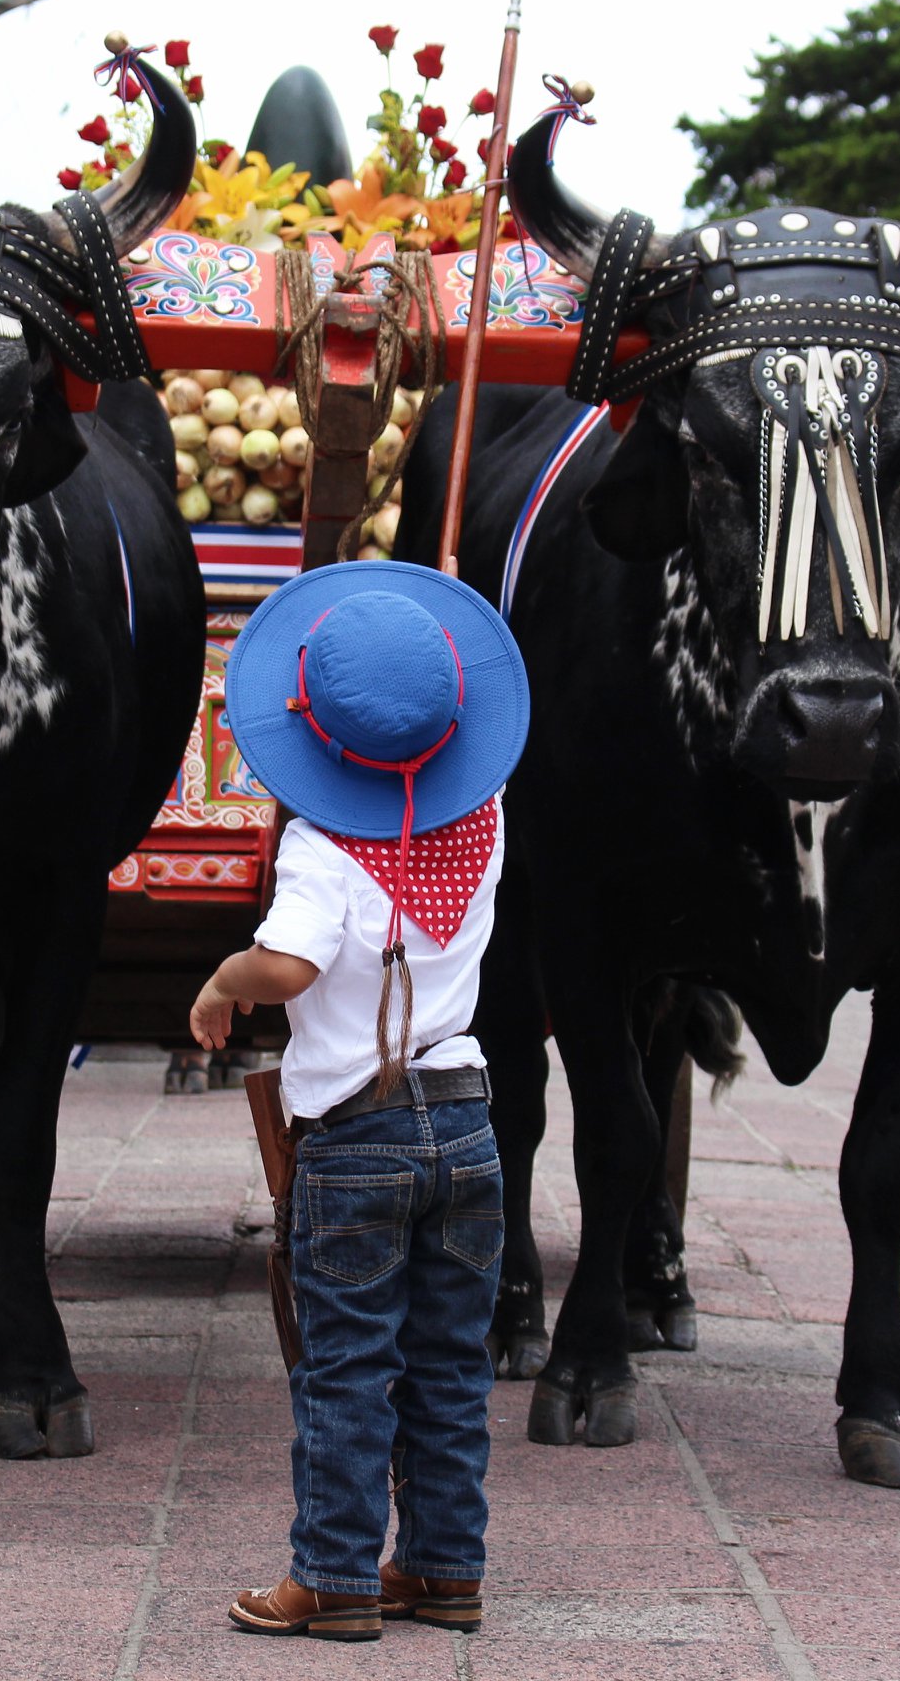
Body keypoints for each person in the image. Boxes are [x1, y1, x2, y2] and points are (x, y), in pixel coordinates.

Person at [192, 561, 528, 1642]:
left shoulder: (320, 845)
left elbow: (288, 966)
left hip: (356, 1136)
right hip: (466, 1121)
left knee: (345, 1365)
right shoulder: (482, 820)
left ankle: (333, 1576)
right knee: (448, 1367)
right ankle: (442, 1569)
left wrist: (221, 982)